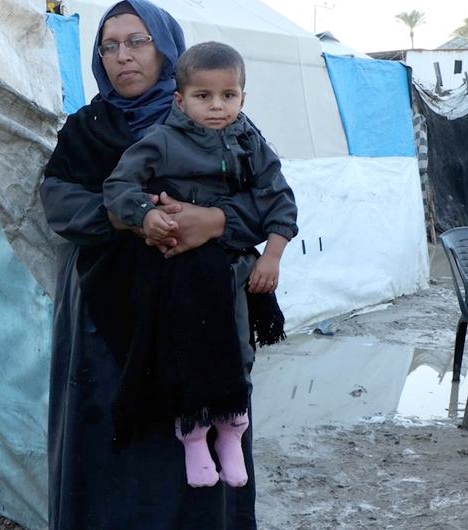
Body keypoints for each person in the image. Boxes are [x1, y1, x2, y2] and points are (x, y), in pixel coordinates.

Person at [40, 2, 266, 527]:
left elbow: (267, 200)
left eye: (137, 41)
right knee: (110, 446)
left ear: (167, 49)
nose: (123, 56)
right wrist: (129, 217)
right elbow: (57, 200)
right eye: (110, 45)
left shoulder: (213, 116)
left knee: (194, 449)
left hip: (198, 317)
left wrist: (211, 221)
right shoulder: (87, 127)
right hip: (103, 322)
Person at [102, 41, 297, 489]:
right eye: (203, 96)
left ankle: (231, 435)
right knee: (186, 353)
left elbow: (279, 199)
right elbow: (118, 188)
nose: (217, 107)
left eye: (228, 95)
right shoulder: (162, 141)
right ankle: (193, 440)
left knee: (238, 353)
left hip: (235, 270)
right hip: (182, 274)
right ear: (180, 100)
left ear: (243, 97)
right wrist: (145, 216)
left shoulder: (249, 141)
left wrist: (272, 256)